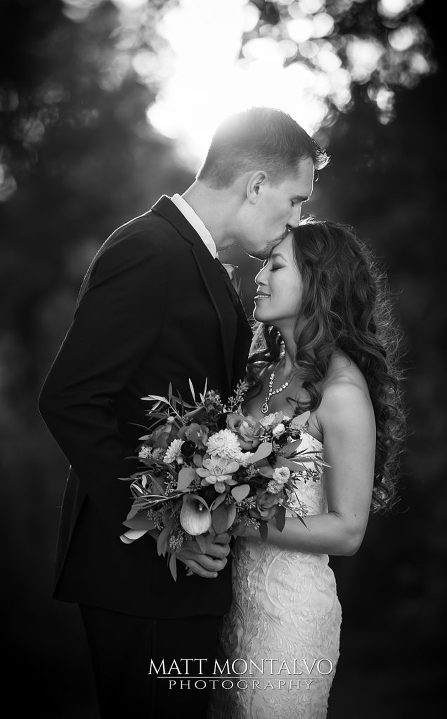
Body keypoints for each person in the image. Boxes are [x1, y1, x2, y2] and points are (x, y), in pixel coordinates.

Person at [38, 107, 327, 718]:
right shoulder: (150, 249)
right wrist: (167, 525)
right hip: (138, 577)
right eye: (296, 200)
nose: (296, 220)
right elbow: (70, 398)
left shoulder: (204, 262)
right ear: (255, 185)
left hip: (180, 584)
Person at [208, 219, 404, 719]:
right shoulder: (261, 374)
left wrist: (238, 524)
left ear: (320, 281)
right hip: (228, 608)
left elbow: (347, 530)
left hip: (288, 618)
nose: (258, 278)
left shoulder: (342, 394)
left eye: (275, 265)